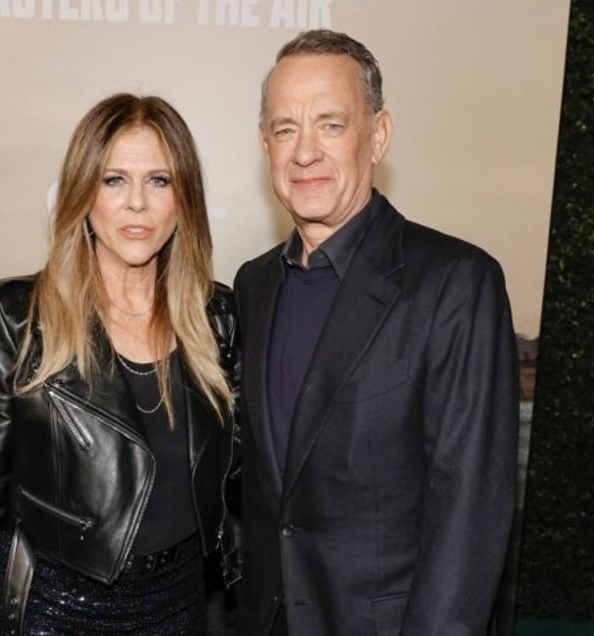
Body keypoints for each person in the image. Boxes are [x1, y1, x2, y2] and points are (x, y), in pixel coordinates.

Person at [0, 93, 240, 635]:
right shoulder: (14, 318)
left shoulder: (218, 318)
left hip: (179, 611)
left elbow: (243, 488)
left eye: (159, 181)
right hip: (53, 612)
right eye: (114, 180)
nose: (137, 202)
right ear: (82, 193)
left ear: (183, 198)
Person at [233, 29, 520, 635]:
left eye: (331, 125)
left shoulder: (456, 283)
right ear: (265, 145)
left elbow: (469, 512)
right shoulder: (253, 286)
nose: (304, 151)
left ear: (379, 135)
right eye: (285, 129)